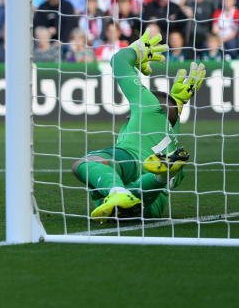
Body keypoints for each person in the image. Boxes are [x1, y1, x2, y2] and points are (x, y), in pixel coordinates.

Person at [72, 32, 205, 221]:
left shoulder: (149, 107)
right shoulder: (172, 139)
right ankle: (158, 178)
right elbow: (172, 116)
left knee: (85, 163)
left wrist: (136, 51)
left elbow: (118, 61)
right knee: (164, 172)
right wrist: (177, 102)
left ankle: (117, 191)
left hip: (132, 161)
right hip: (151, 206)